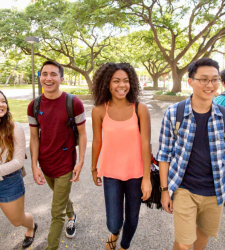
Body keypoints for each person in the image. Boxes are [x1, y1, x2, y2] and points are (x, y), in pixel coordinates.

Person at [156, 57, 224, 250]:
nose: (210, 85)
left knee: (202, 238)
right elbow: (164, 154)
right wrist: (164, 191)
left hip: (215, 191)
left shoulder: (223, 116)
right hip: (184, 188)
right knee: (185, 242)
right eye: (204, 79)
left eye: (214, 79)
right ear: (191, 81)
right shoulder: (174, 113)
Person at [91, 62, 152, 250]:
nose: (121, 85)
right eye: (116, 81)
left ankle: (124, 245)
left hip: (136, 174)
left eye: (126, 81)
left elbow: (145, 144)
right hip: (111, 174)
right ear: (107, 84)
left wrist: (147, 179)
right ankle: (115, 233)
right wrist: (94, 168)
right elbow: (97, 142)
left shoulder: (140, 109)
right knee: (114, 221)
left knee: (133, 217)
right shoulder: (99, 110)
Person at [27, 61, 87, 250]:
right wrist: (34, 165)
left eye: (53, 74)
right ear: (40, 77)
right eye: (44, 74)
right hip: (46, 163)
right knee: (59, 194)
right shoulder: (33, 106)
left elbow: (83, 134)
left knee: (56, 212)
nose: (48, 78)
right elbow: (34, 138)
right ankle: (72, 215)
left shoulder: (73, 102)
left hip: (65, 164)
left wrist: (81, 162)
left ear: (61, 78)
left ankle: (51, 246)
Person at [0, 91, 37, 249]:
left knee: (17, 221)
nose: (1, 105)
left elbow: (18, 161)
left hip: (8, 181)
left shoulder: (15, 128)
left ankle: (31, 226)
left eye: (3, 101)